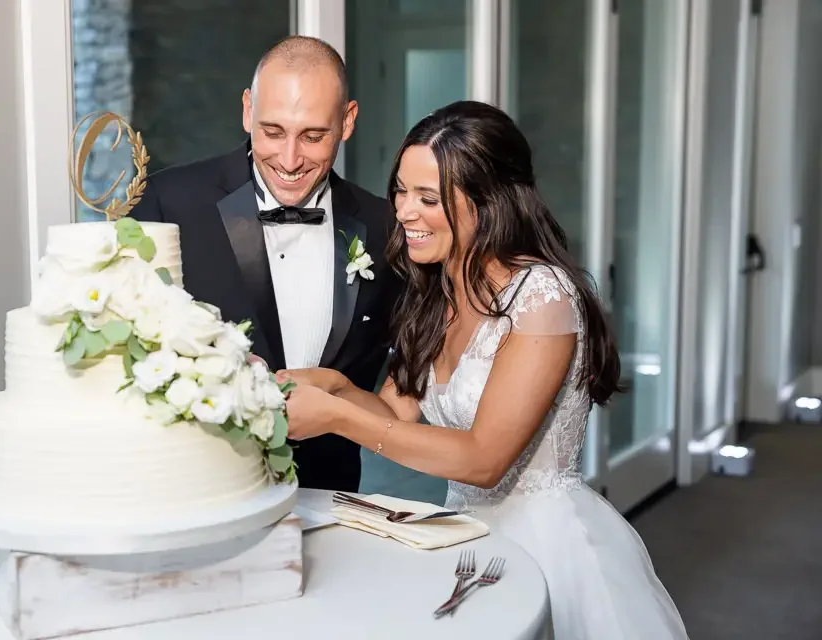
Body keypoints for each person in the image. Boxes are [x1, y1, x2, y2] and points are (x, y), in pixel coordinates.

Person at [279, 101, 688, 639]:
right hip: (467, 534)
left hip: (546, 543)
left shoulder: (541, 296)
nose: (402, 212)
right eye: (402, 190)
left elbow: (484, 460)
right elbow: (394, 410)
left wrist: (335, 416)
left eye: (428, 198)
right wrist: (327, 384)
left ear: (489, 203)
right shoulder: (438, 289)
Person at [129, 35, 401, 492]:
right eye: (272, 131)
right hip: (199, 492)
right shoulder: (168, 202)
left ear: (348, 121)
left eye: (313, 136)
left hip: (330, 498)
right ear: (247, 109)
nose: (290, 159)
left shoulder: (384, 227)